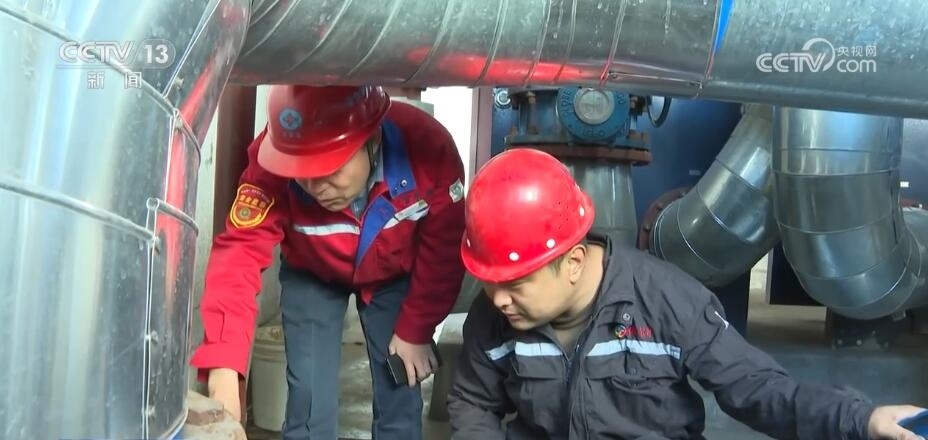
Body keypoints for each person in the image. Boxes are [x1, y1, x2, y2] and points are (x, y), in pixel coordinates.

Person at [446, 148, 926, 440]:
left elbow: (759, 389)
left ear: (571, 263)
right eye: (490, 281)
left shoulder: (667, 301)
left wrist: (860, 420)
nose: (498, 299)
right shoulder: (494, 318)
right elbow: (473, 402)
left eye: (515, 284)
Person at [191, 85, 467, 440]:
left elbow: (444, 249)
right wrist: (224, 367)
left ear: (372, 137)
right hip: (312, 274)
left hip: (393, 278)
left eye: (328, 167)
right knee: (308, 397)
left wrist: (417, 327)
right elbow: (239, 253)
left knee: (400, 387)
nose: (315, 185)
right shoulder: (274, 155)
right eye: (300, 170)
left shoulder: (429, 149)